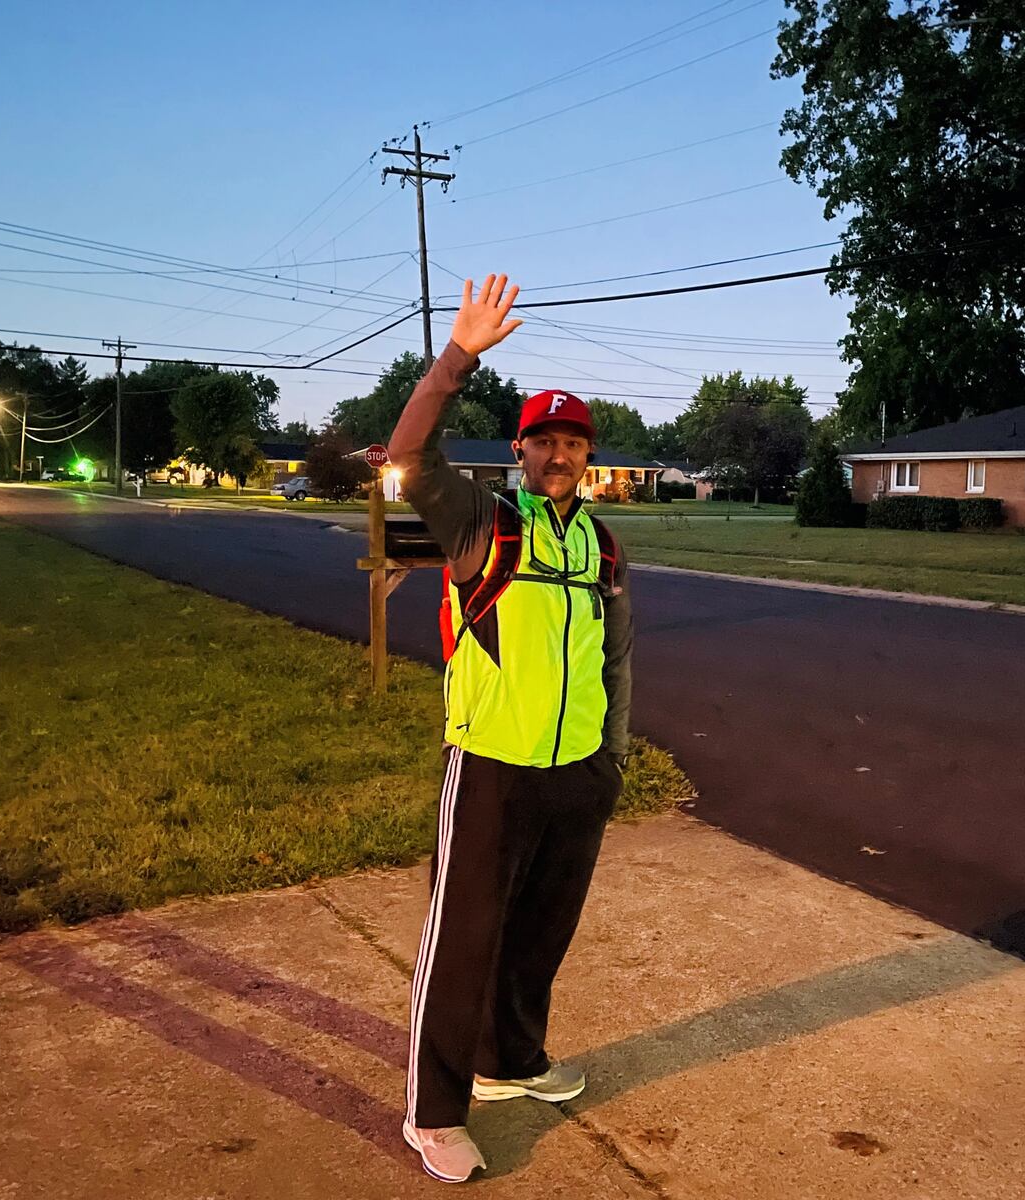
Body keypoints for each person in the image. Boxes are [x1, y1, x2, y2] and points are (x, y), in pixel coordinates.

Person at [387, 274, 634, 1184]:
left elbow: (618, 656)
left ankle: (512, 1061)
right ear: (520, 450)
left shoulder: (601, 544)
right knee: (464, 939)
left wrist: (610, 756)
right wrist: (457, 359)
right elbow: (411, 453)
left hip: (577, 771)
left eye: (573, 441)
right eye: (544, 439)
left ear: (586, 456)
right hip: (492, 763)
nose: (559, 453)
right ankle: (433, 1111)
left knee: (542, 931)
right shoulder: (482, 525)